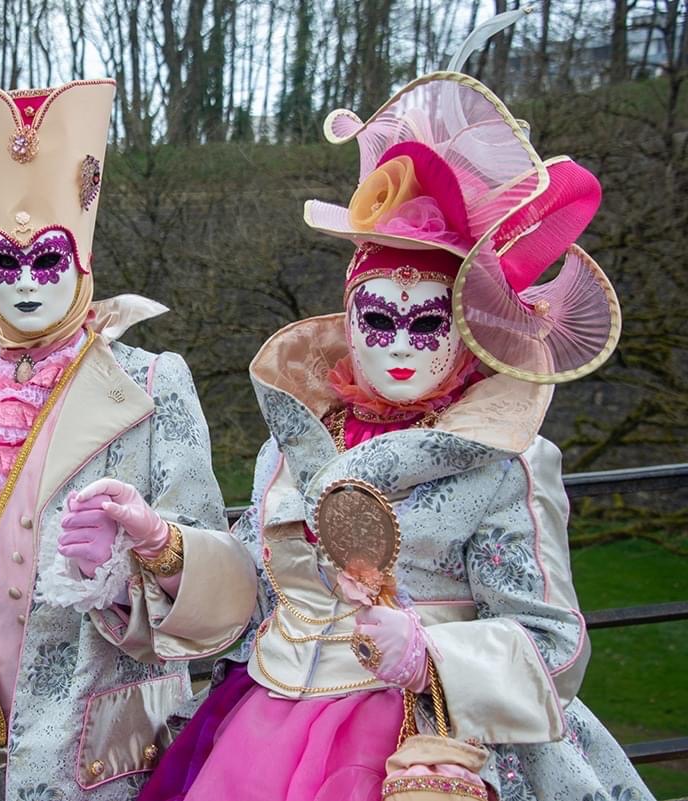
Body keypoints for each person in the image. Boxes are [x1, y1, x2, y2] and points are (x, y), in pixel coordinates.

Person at [138, 70, 653, 801]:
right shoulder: (293, 444)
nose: (400, 343)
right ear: (349, 322)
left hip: (438, 746)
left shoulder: (509, 460)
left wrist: (433, 654)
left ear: (467, 326)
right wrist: (166, 549)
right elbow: (256, 601)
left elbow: (557, 651)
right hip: (266, 729)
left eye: (428, 321)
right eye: (379, 319)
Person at [0, 78, 257, 800]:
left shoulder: (150, 383)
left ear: (81, 261)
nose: (26, 282)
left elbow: (227, 594)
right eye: (7, 262)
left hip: (104, 765)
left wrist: (155, 546)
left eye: (47, 260)